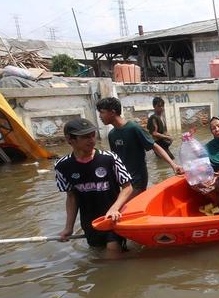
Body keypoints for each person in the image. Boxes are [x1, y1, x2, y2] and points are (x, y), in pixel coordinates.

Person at [55, 118, 133, 251]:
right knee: (98, 255)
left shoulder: (109, 158)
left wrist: (114, 208)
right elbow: (71, 197)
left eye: (92, 135)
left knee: (112, 251)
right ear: (70, 140)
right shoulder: (62, 166)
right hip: (89, 221)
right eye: (85, 137)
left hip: (113, 218)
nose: (91, 140)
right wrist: (69, 227)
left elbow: (127, 187)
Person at [96, 97, 182, 197]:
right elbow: (115, 159)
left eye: (102, 112)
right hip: (125, 181)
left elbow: (155, 146)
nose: (100, 116)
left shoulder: (133, 128)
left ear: (112, 112)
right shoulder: (112, 134)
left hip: (138, 180)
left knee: (124, 208)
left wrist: (173, 165)